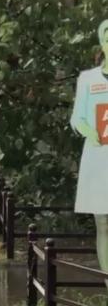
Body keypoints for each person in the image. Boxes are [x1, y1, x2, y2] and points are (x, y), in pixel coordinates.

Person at [70, 19, 108, 283]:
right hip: (98, 156)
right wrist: (90, 131)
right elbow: (76, 118)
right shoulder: (88, 79)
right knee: (103, 221)